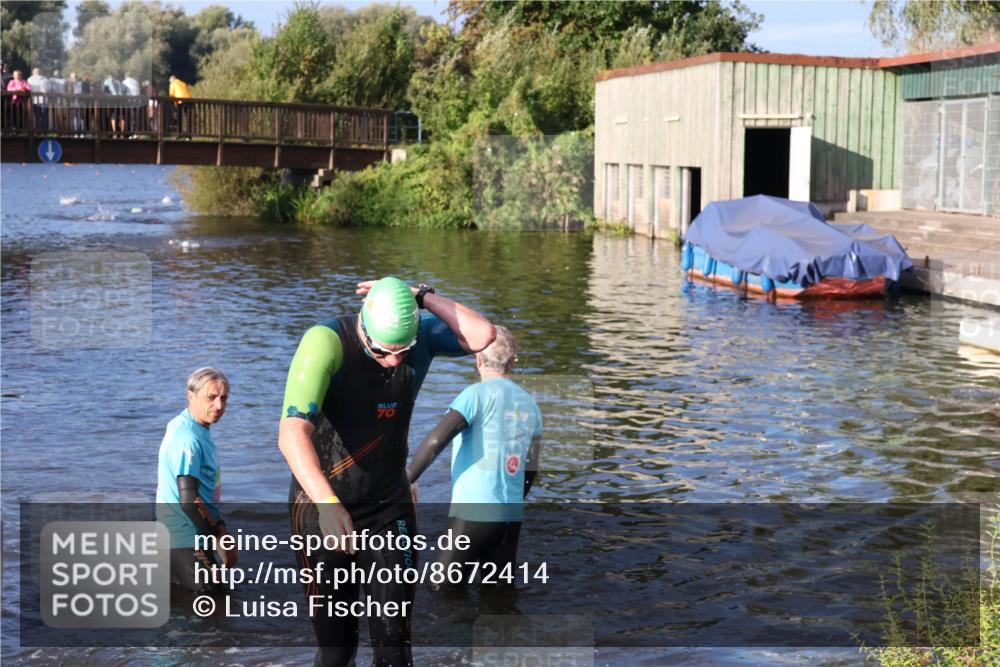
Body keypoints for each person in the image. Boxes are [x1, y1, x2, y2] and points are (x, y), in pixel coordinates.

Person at [279, 277, 495, 667]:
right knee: (338, 649)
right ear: (364, 325)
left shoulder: (421, 336)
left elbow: (482, 335)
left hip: (388, 508)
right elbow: (292, 434)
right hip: (320, 508)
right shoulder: (326, 341)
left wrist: (422, 297)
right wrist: (328, 505)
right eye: (382, 349)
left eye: (404, 350)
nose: (395, 360)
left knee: (395, 647)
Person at [407, 325, 542, 584]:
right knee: (498, 593)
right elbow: (531, 467)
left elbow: (437, 439)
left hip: (472, 515)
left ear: (477, 359)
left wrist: (409, 478)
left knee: (442, 588)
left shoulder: (474, 396)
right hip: (510, 518)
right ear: (513, 361)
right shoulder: (531, 405)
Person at [156, 367, 237, 594]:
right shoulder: (187, 438)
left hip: (182, 538)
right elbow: (189, 499)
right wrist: (218, 535)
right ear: (190, 395)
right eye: (211, 397)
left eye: (224, 398)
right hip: (184, 539)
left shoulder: (191, 427)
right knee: (217, 611)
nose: (219, 406)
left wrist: (219, 526)